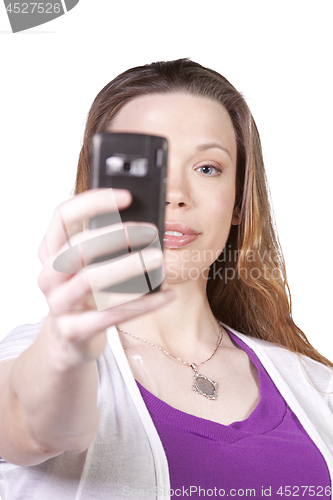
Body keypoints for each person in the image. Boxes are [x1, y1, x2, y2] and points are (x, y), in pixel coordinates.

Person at [0, 59, 332, 500]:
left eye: (208, 168)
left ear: (237, 202)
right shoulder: (37, 354)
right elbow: (34, 425)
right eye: (143, 165)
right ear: (95, 188)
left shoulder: (315, 387)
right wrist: (66, 348)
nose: (175, 194)